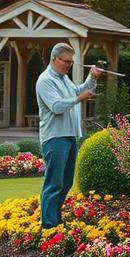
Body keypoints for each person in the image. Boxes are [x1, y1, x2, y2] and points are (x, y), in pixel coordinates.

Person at [36, 43, 103, 230]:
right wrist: (78, 99)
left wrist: (93, 77)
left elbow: (78, 90)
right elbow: (56, 107)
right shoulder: (46, 80)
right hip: (55, 138)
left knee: (66, 182)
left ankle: (55, 220)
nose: (68, 65)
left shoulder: (64, 78)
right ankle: (48, 226)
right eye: (65, 61)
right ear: (53, 59)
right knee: (54, 183)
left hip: (70, 135)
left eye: (71, 62)